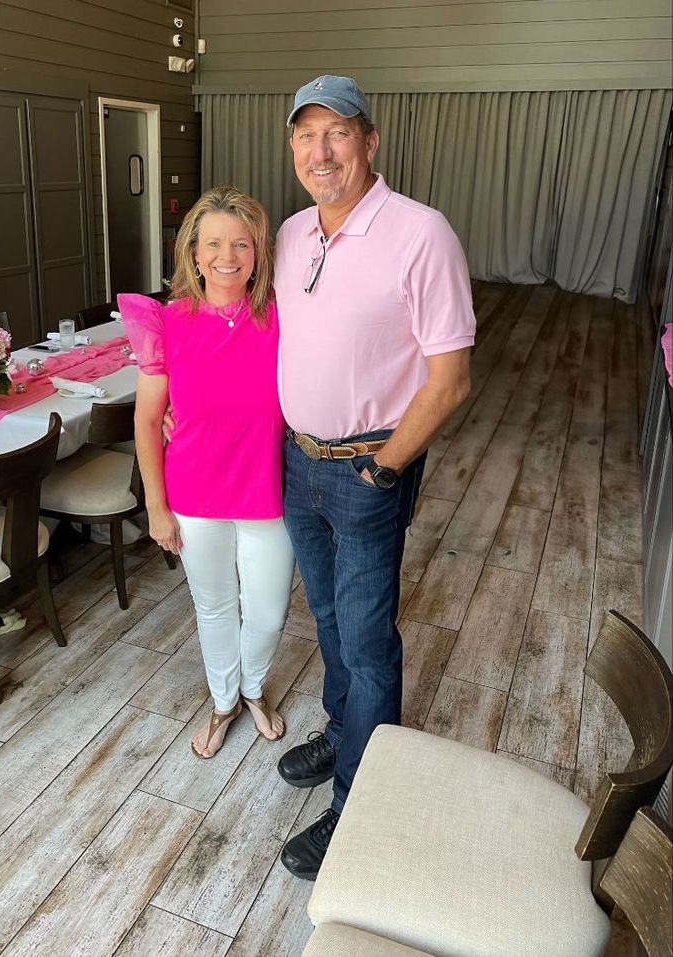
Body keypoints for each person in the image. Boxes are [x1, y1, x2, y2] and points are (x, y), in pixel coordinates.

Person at [274, 76, 476, 879]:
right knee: (324, 618)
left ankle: (360, 795)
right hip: (297, 459)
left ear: (369, 141)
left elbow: (451, 378)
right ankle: (342, 723)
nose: (320, 152)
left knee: (365, 637)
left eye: (337, 133)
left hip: (367, 465)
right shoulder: (290, 234)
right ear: (293, 150)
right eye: (305, 136)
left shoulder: (421, 233)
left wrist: (382, 467)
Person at [118, 187, 295, 759]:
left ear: (258, 251)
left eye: (241, 243)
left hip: (267, 486)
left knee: (268, 609)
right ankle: (224, 699)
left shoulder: (282, 314)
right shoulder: (165, 323)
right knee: (214, 605)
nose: (227, 255)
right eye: (213, 243)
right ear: (193, 253)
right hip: (193, 490)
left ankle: (253, 688)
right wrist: (156, 507)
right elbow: (148, 420)